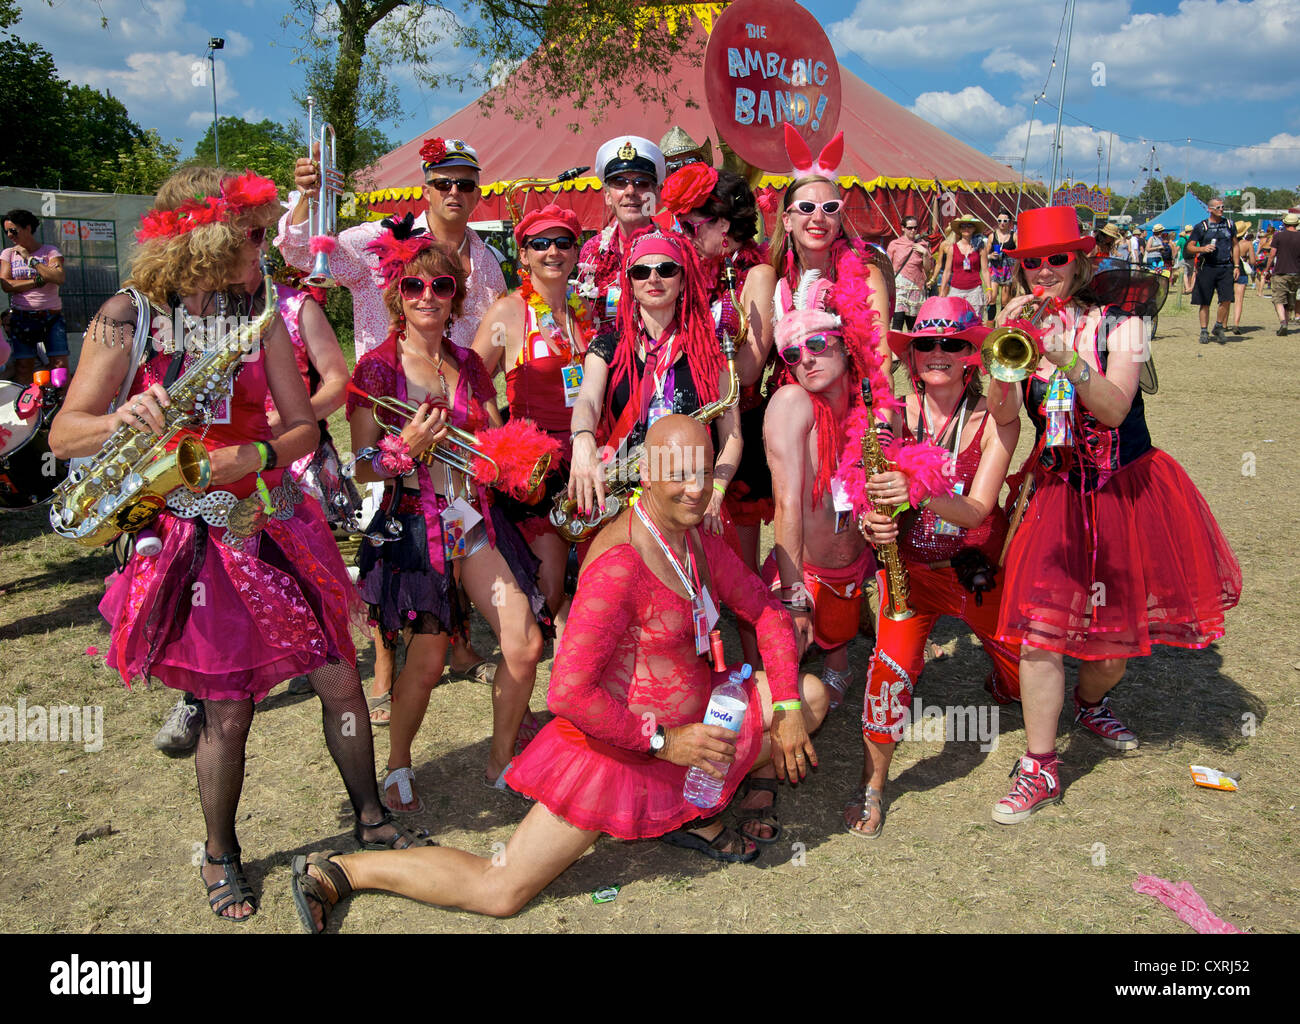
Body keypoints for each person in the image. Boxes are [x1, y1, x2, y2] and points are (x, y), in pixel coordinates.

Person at [49, 168, 433, 921]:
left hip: (275, 516)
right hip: (191, 533)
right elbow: (65, 431)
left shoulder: (256, 314)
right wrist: (122, 422)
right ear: (205, 241)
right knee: (226, 711)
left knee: (339, 681)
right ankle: (221, 854)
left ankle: (370, 816)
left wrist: (254, 457)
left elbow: (300, 425)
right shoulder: (124, 318)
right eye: (252, 236)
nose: (267, 247)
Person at [290, 415, 830, 928]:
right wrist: (666, 742)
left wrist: (782, 706)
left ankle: (690, 812)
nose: (695, 487)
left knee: (807, 697)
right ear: (646, 475)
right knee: (500, 891)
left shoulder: (697, 538)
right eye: (678, 473)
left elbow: (764, 609)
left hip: (695, 725)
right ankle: (342, 870)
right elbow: (569, 693)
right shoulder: (620, 566)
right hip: (618, 751)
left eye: (703, 471)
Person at [984, 206, 1241, 824]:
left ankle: (1088, 702)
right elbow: (1004, 418)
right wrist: (1000, 354)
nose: (1043, 272)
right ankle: (1039, 764)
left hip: (1126, 493)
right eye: (1031, 263)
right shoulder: (1018, 324)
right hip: (1059, 493)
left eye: (1055, 259)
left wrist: (1063, 357)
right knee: (1041, 633)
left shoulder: (1122, 325)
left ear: (1080, 261)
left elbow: (1115, 409)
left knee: (1111, 650)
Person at [279, 137, 501, 717]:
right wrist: (307, 199)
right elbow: (304, 252)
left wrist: (478, 396)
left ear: (477, 194)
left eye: (465, 184)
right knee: (388, 542)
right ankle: (382, 668)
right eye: (443, 183)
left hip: (452, 406)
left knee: (456, 532)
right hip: (383, 407)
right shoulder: (380, 237)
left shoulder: (486, 258)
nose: (454, 193)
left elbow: (494, 328)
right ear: (425, 187)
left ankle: (457, 646)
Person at [348, 217, 552, 808]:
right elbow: (361, 465)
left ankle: (500, 760)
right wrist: (400, 450)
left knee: (524, 642)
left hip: (471, 517)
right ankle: (399, 759)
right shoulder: (375, 372)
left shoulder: (468, 363)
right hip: (413, 523)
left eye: (440, 287)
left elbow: (490, 437)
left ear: (456, 296)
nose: (428, 298)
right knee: (428, 661)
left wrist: (512, 459)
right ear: (397, 296)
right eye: (414, 287)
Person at [845, 296, 1021, 838]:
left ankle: (1001, 678)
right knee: (888, 675)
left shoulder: (997, 422)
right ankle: (874, 786)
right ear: (912, 353)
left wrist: (916, 491)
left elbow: (977, 509)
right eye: (925, 343)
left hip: (974, 572)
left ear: (973, 353)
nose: (938, 353)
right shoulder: (889, 414)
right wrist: (870, 523)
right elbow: (864, 488)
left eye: (953, 343)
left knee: (1023, 679)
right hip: (908, 576)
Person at [660, 162, 776, 666]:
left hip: (736, 429)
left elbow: (749, 371)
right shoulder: (677, 266)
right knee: (678, 566)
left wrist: (724, 334)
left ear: (722, 226)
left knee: (739, 574)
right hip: (684, 428)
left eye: (689, 224)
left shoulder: (756, 273)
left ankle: (758, 676)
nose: (680, 234)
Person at [764, 269, 888, 713]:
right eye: (793, 354)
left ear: (844, 344)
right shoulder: (792, 404)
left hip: (857, 567)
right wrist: (794, 596)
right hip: (806, 573)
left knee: (842, 633)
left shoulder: (874, 405)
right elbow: (787, 503)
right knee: (782, 661)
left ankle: (840, 661)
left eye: (817, 345)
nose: (807, 360)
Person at [471, 204, 596, 640]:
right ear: (522, 256)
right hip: (538, 467)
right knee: (548, 590)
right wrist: (498, 439)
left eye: (563, 242)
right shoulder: (509, 312)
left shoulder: (587, 312)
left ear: (576, 251)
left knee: (601, 569)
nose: (552, 252)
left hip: (589, 456)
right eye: (539, 244)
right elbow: (470, 379)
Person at [567, 228, 741, 533]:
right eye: (641, 271)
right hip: (623, 507)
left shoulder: (709, 352)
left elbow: (732, 437)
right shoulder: (606, 347)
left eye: (666, 269)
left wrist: (717, 490)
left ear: (683, 280)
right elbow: (588, 400)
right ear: (630, 283)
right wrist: (582, 439)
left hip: (693, 501)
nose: (653, 278)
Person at [576, 136, 666, 330]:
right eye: (619, 182)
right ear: (608, 195)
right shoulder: (591, 252)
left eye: (642, 183)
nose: (630, 191)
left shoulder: (673, 249)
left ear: (656, 193)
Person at [1, 209, 67, 387]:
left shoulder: (50, 252)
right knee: (23, 368)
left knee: (59, 368)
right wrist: (38, 281)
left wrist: (30, 259)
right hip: (22, 317)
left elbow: (59, 278)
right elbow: (6, 285)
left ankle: (59, 408)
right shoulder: (8, 254)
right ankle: (27, 410)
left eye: (13, 230)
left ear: (28, 228)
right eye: (6, 231)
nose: (9, 235)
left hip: (51, 316)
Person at [1188, 198, 1237, 344]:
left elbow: (1236, 245)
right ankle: (1204, 330)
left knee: (1227, 299)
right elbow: (1190, 247)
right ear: (1210, 209)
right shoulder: (1201, 226)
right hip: (1207, 267)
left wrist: (1236, 266)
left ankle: (1219, 326)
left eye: (1222, 207)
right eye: (1218, 207)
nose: (1221, 209)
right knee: (1205, 302)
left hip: (1225, 267)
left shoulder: (1229, 224)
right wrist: (1202, 248)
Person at [938, 214, 991, 319]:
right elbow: (947, 271)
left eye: (969, 226)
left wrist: (989, 288)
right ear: (959, 229)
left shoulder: (980, 248)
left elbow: (985, 270)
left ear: (974, 228)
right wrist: (942, 290)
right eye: (963, 226)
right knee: (955, 319)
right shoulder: (952, 248)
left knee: (974, 320)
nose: (966, 229)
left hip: (975, 290)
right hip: (956, 289)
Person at [888, 215, 933, 331]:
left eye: (915, 228)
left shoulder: (923, 245)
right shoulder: (895, 244)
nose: (913, 230)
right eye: (910, 228)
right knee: (897, 320)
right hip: (899, 286)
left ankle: (910, 348)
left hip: (916, 287)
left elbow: (927, 268)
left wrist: (924, 254)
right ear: (903, 228)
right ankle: (896, 349)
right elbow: (888, 266)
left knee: (912, 325)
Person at [1265, 213, 1300, 336]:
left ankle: (1283, 322)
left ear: (1284, 223)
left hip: (1281, 272)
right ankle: (1288, 318)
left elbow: (1272, 255)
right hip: (1297, 274)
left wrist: (1267, 270)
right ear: (1297, 224)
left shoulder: (1278, 236)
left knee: (1279, 299)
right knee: (1291, 298)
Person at [1231, 223, 1254, 335]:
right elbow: (1253, 261)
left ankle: (1223, 324)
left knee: (1225, 300)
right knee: (1239, 300)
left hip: (1228, 271)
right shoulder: (1247, 243)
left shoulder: (1228, 242)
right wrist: (1245, 259)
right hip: (1242, 272)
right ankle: (1236, 324)